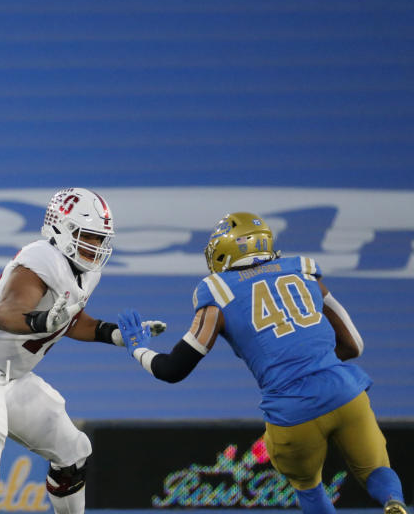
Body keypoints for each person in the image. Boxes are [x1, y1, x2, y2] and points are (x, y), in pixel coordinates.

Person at [116, 212, 408, 514]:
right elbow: (354, 345)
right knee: (375, 469)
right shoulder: (304, 270)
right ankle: (393, 502)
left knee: (309, 489)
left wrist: (138, 348)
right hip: (345, 392)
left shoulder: (217, 290)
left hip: (291, 410)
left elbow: (173, 369)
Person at [0, 187, 166, 514]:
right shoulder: (41, 258)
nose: (95, 246)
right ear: (62, 229)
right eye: (88, 236)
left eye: (99, 238)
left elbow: (70, 320)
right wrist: (43, 320)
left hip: (9, 375)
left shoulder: (86, 273)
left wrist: (115, 334)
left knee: (73, 452)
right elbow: (6, 314)